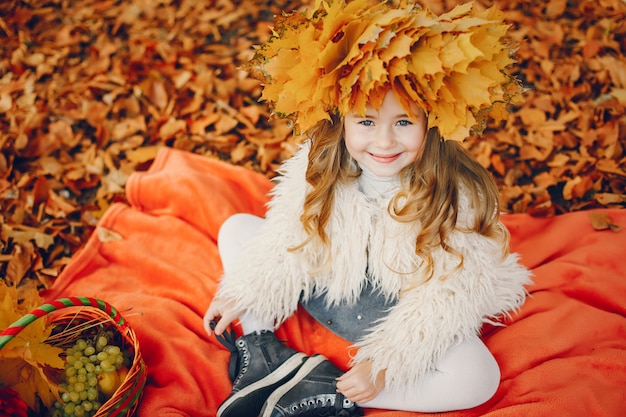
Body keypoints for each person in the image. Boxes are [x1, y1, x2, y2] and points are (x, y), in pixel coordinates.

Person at [204, 1, 532, 416]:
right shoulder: (319, 163)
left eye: (403, 122)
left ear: (432, 121)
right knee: (237, 229)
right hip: (329, 285)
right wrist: (245, 291)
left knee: (478, 378)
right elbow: (290, 236)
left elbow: (449, 294)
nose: (383, 143)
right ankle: (263, 347)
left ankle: (321, 389)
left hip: (400, 311)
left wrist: (386, 363)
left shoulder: (454, 193)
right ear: (340, 119)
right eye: (366, 122)